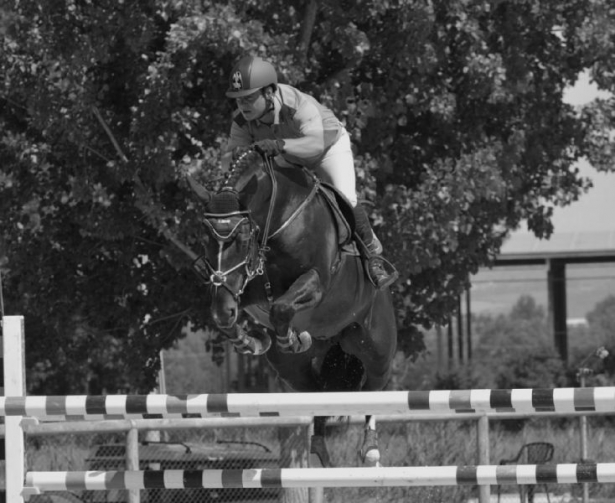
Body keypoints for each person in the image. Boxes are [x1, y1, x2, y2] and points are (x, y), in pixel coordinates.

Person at [222, 55, 397, 290]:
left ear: (269, 92)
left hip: (326, 149)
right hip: (289, 158)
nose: (242, 105)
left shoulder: (296, 104)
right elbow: (232, 159)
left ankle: (373, 257)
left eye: (249, 98)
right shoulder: (242, 122)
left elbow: (314, 144)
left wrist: (279, 145)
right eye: (239, 100)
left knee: (345, 196)